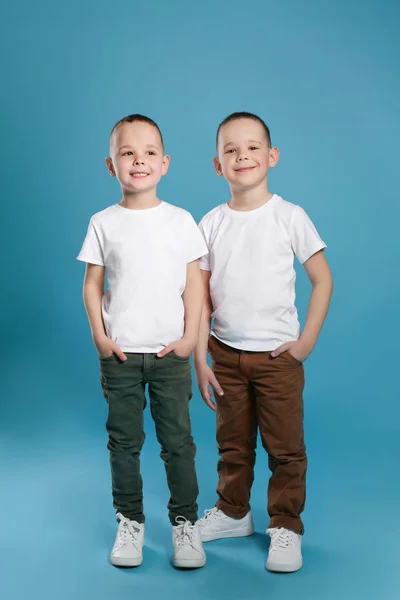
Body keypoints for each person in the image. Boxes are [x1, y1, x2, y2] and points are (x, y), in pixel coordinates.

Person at [195, 112, 333, 572]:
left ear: (271, 156)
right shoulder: (210, 223)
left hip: (277, 359)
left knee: (285, 447)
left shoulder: (289, 216)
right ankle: (234, 512)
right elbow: (200, 299)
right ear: (218, 164)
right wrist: (201, 358)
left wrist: (306, 340)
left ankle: (286, 526)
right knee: (232, 443)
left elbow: (322, 279)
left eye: (253, 147)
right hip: (225, 355)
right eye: (230, 150)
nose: (242, 156)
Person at [77, 114, 207, 569]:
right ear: (111, 165)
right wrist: (100, 335)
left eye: (149, 152)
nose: (139, 161)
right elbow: (93, 284)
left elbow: (195, 285)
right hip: (121, 353)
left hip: (170, 353)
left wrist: (191, 337)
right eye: (127, 153)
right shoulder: (103, 222)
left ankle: (185, 524)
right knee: (124, 442)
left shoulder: (180, 220)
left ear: (165, 162)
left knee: (178, 443)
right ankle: (130, 521)